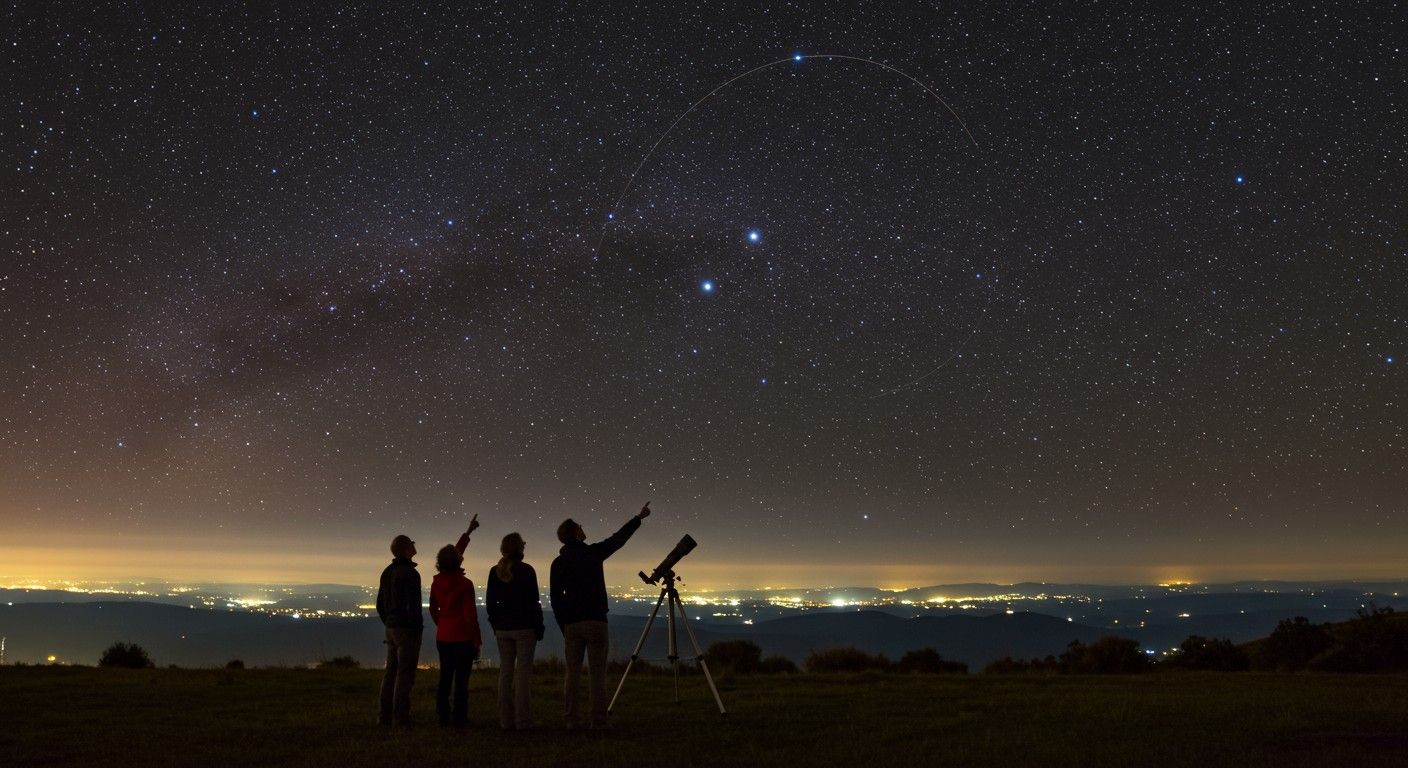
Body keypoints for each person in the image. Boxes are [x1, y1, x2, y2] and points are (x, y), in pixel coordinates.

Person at [549, 502, 651, 730]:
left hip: (572, 624)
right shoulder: (593, 553)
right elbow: (618, 540)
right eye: (580, 527)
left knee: (572, 674)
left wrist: (563, 626)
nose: (584, 529)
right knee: (597, 675)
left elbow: (555, 599)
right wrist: (638, 518)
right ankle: (598, 721)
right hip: (596, 621)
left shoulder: (558, 563)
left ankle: (571, 720)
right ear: (576, 533)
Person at [486, 532, 545, 731]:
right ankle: (524, 721)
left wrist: (495, 625)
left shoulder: (495, 571)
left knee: (505, 672)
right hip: (524, 628)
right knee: (523, 675)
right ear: (521, 548)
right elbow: (533, 602)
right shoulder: (527, 571)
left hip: (503, 629)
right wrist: (539, 626)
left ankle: (505, 720)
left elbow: (491, 603)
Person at [429, 513, 483, 727]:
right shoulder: (465, 584)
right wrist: (476, 641)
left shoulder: (436, 583)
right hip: (462, 638)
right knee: (462, 680)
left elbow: (433, 608)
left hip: (443, 636)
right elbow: (470, 616)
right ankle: (460, 718)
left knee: (445, 677)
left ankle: (443, 716)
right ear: (457, 562)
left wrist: (468, 533)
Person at [376, 533, 423, 726]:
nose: (414, 545)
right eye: (411, 543)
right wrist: (415, 627)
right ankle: (400, 717)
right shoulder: (411, 573)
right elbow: (414, 605)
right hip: (407, 629)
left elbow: (380, 603)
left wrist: (388, 621)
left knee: (391, 672)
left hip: (392, 627)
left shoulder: (387, 571)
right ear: (406, 549)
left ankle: (384, 715)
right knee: (405, 674)